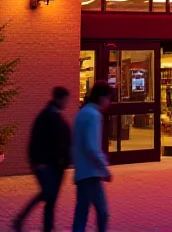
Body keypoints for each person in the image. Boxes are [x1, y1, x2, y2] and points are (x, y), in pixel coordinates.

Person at [13, 86, 72, 232]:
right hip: (47, 164)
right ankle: (21, 218)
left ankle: (47, 227)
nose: (67, 103)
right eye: (65, 99)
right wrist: (37, 162)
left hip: (57, 165)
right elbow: (36, 140)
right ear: (58, 99)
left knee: (51, 199)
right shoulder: (46, 116)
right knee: (47, 193)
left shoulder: (56, 116)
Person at [72, 82, 112, 232]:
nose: (109, 102)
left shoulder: (82, 112)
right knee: (102, 213)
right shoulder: (94, 115)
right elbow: (92, 147)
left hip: (82, 172)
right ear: (102, 98)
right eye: (108, 98)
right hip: (91, 173)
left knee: (82, 212)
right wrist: (104, 167)